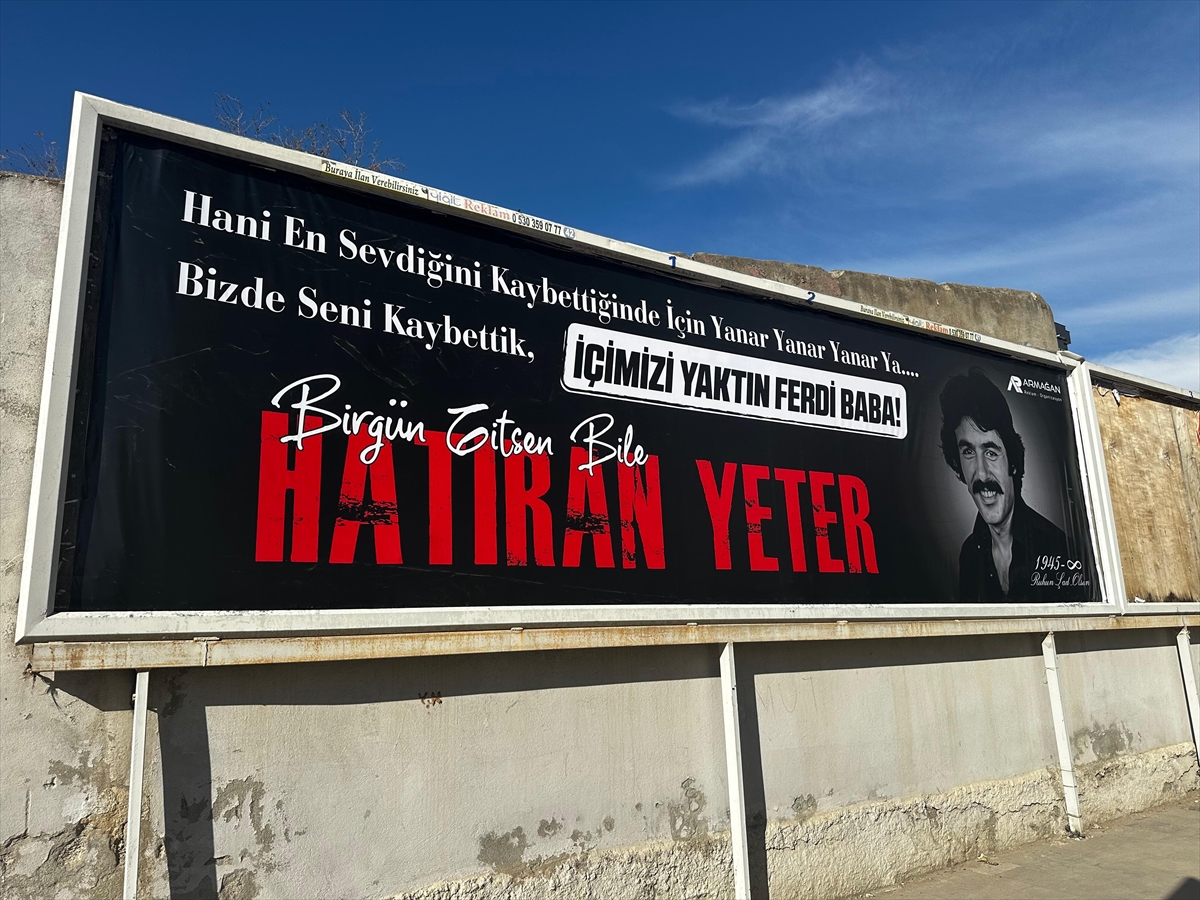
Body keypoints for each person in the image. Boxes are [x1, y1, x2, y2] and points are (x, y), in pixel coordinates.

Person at [939, 368, 1075, 602]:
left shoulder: (1057, 547)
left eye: (991, 452)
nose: (981, 473)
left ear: (1012, 460)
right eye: (968, 452)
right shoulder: (969, 554)